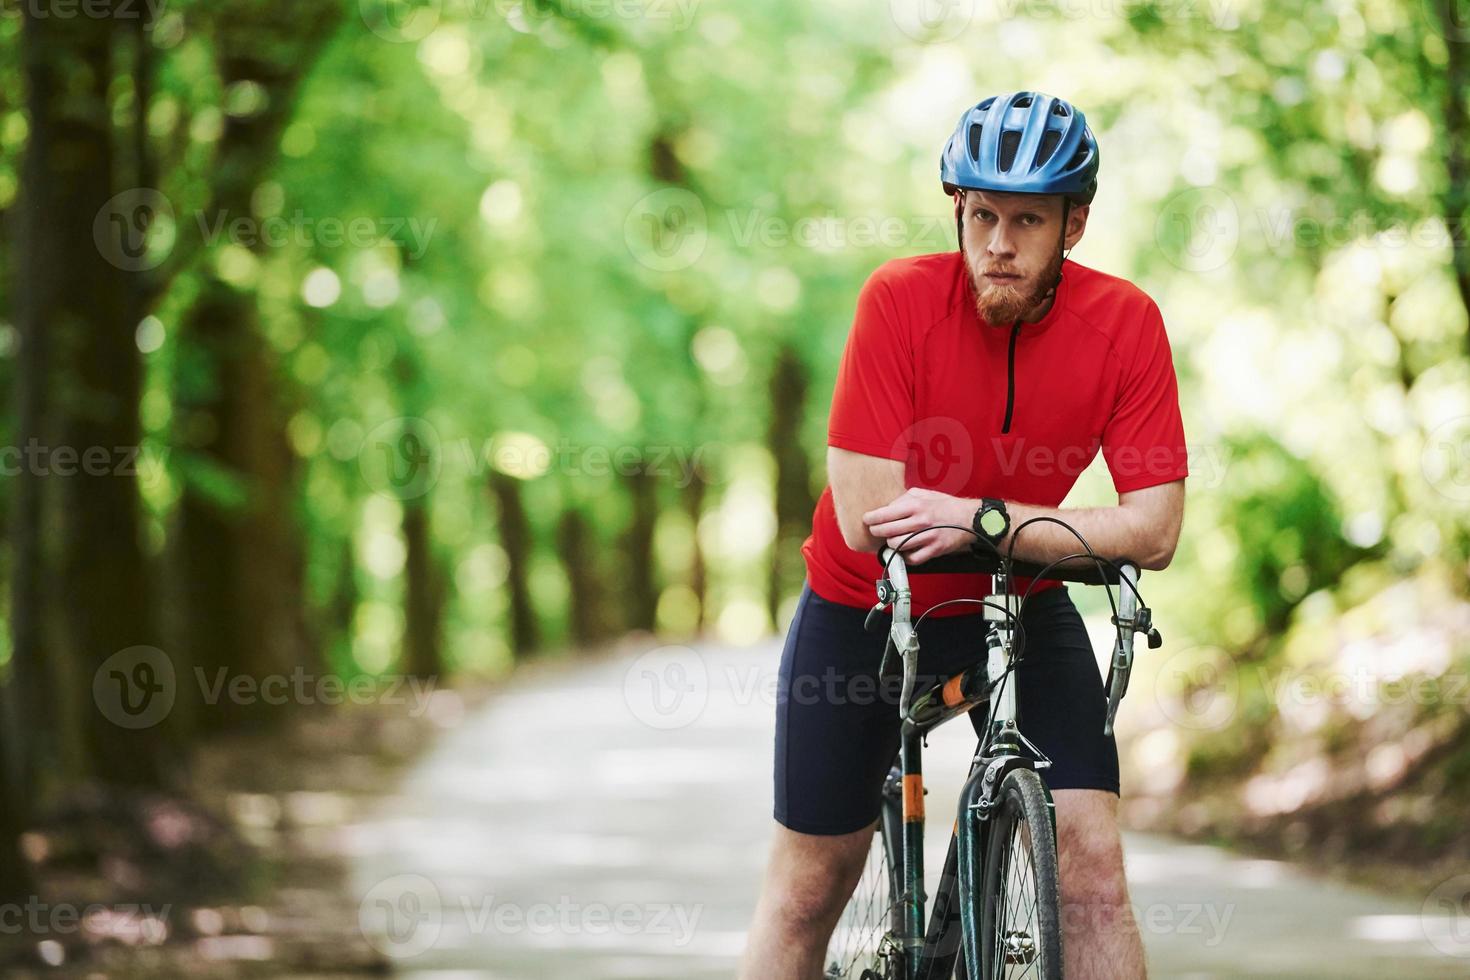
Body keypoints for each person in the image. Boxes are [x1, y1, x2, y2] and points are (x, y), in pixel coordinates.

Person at [739, 91, 1188, 980]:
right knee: (807, 885)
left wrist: (981, 522)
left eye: (1028, 219)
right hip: (864, 609)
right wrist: (1043, 531)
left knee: (1091, 859)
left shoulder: (1125, 325)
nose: (999, 243)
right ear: (958, 208)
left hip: (1018, 603)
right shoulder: (899, 301)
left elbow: (1157, 528)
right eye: (981, 213)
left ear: (1075, 225)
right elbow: (873, 515)